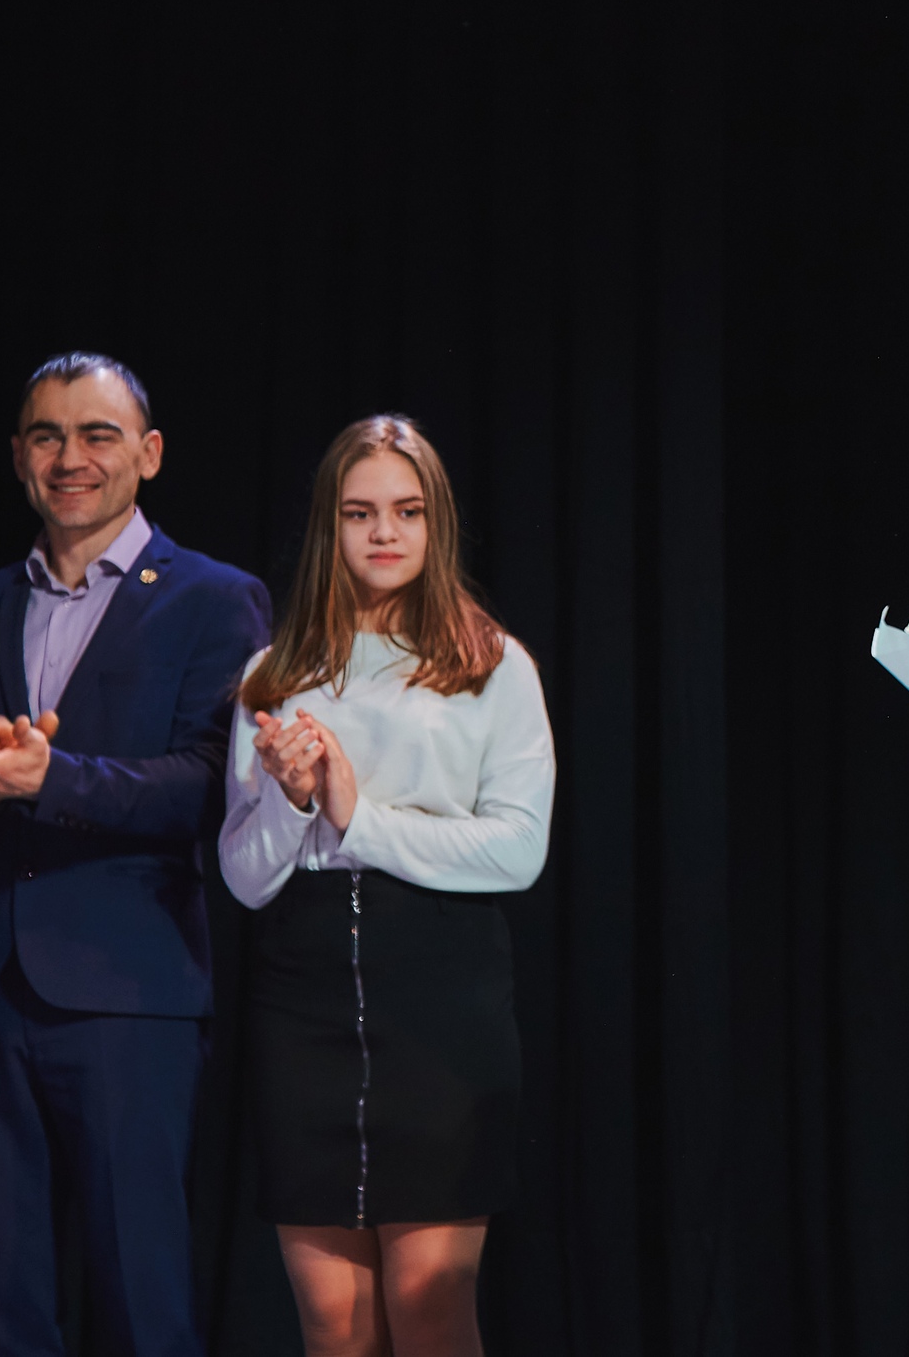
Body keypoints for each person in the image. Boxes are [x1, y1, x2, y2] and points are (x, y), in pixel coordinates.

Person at [219, 415, 554, 1357]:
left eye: (407, 511)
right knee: (333, 1324)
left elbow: (518, 850)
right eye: (359, 512)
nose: (383, 532)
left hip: (440, 997)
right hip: (304, 997)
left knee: (429, 1306)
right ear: (328, 525)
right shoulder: (273, 674)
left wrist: (356, 816)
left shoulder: (493, 666)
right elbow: (243, 878)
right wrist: (292, 802)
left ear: (436, 522)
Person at [0, 351, 272, 1357]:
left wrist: (49, 778)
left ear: (149, 453)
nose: (71, 458)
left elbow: (210, 784)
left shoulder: (214, 598)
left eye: (98, 434)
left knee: (140, 1292)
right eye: (47, 436)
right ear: (18, 456)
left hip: (128, 991)